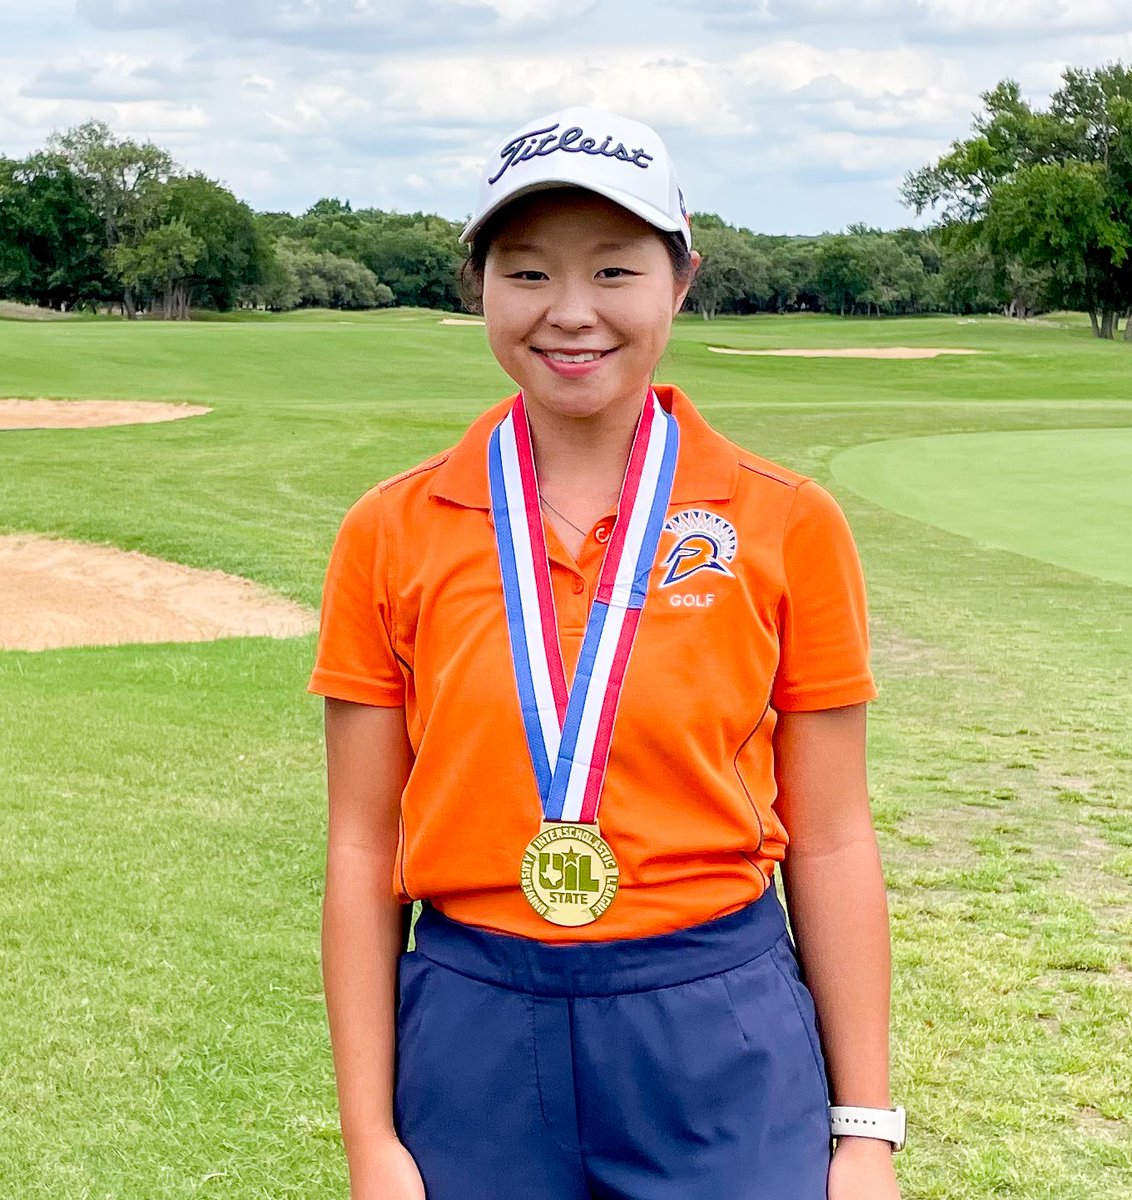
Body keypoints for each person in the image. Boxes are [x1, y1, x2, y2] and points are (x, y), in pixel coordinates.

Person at [308, 105, 903, 1200]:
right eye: (528, 273)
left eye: (615, 271)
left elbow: (830, 836)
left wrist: (865, 1132)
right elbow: (359, 848)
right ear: (476, 284)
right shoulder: (390, 531)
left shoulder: (786, 523)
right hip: (472, 1019)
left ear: (681, 280)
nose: (571, 313)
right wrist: (370, 1142)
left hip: (714, 1017)